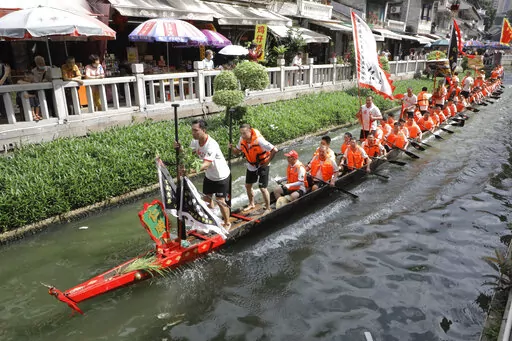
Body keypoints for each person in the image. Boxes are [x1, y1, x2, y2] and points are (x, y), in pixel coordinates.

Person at [186, 119, 231, 228]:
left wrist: (189, 171)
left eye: (196, 130)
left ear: (204, 130)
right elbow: (188, 156)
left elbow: (206, 165)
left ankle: (227, 223)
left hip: (221, 176)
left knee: (220, 201)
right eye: (192, 130)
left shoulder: (211, 144)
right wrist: (179, 149)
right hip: (209, 176)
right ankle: (213, 219)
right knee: (206, 199)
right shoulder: (194, 142)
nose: (193, 133)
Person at [231, 124, 278, 212]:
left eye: (244, 133)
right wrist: (232, 148)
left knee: (262, 188)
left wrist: (267, 162)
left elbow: (275, 150)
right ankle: (251, 204)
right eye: (241, 133)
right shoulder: (242, 139)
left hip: (263, 164)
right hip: (252, 165)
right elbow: (237, 152)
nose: (242, 136)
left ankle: (268, 208)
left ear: (250, 131)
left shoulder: (259, 140)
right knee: (248, 185)